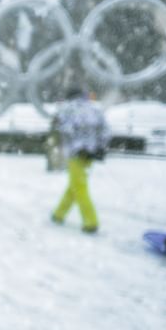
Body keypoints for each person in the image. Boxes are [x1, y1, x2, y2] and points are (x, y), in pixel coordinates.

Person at [50, 86, 109, 233]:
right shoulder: (94, 109)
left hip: (75, 152)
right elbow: (106, 130)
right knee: (75, 185)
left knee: (79, 187)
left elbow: (65, 129)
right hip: (91, 153)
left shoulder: (67, 109)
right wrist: (100, 147)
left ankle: (91, 222)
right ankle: (59, 214)